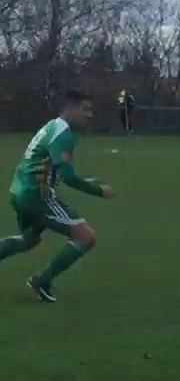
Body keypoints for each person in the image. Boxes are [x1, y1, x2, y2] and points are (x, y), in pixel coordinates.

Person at [0, 90, 115, 302]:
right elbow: (69, 177)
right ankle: (41, 281)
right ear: (71, 108)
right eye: (85, 109)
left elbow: (51, 167)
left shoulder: (53, 125)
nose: (89, 115)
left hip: (20, 191)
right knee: (86, 237)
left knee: (29, 239)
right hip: (38, 197)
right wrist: (99, 191)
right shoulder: (64, 135)